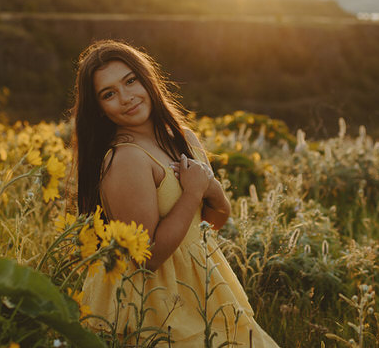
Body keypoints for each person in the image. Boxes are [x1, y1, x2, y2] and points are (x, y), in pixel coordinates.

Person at [71, 39, 280, 347]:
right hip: (154, 301)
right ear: (99, 109)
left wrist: (211, 188)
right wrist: (192, 193)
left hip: (200, 283)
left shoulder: (184, 139)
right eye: (109, 94)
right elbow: (148, 257)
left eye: (131, 81)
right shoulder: (127, 159)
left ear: (147, 79)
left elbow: (212, 222)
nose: (126, 97)